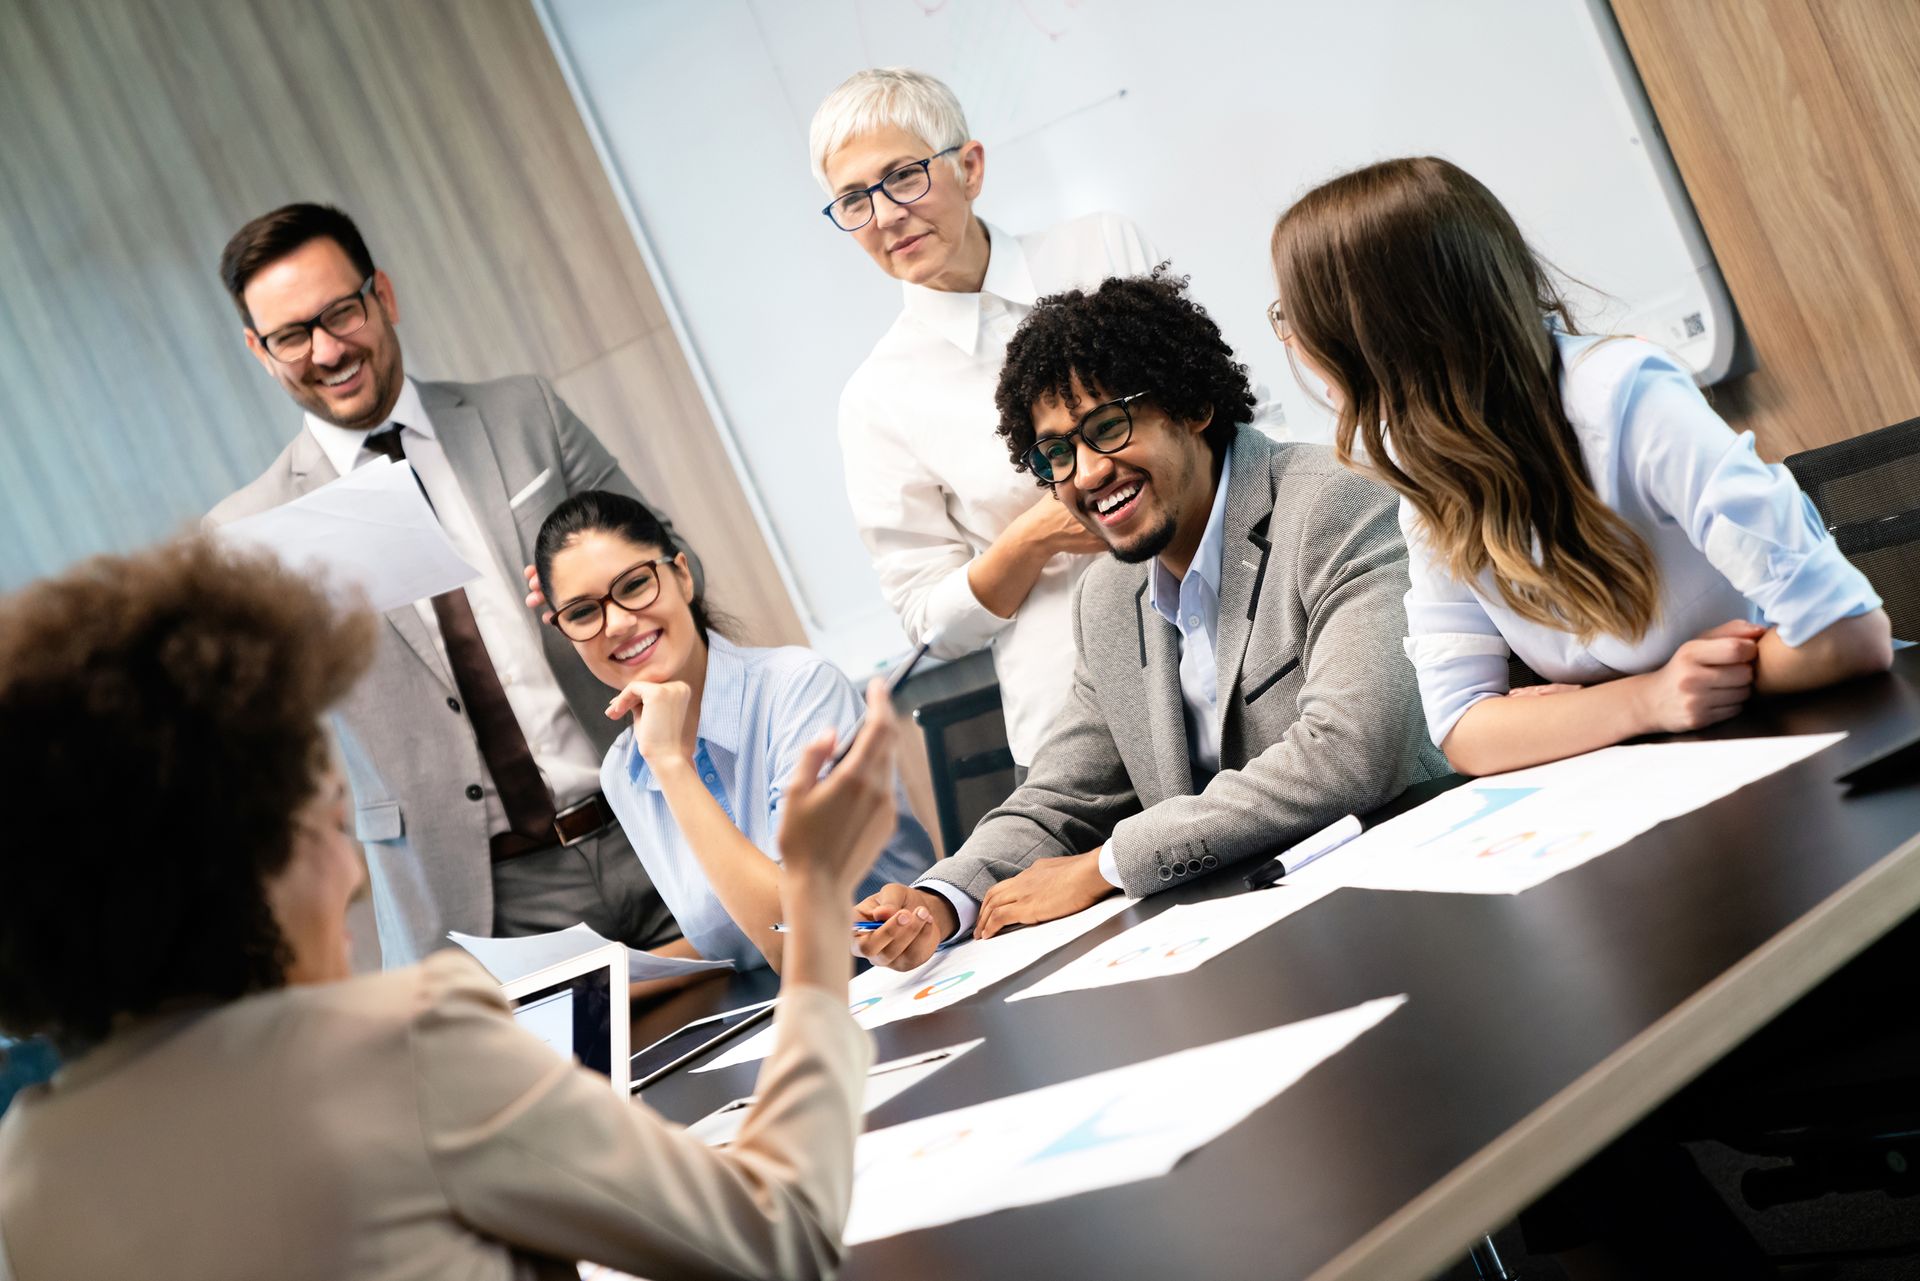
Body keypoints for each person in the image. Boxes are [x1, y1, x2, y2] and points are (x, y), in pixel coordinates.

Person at [0, 535, 899, 1280]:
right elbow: (782, 1238)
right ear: (245, 863)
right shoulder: (402, 1042)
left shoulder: (30, 1169)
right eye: (328, 816)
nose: (355, 874)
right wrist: (814, 919)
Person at [853, 270, 1449, 969]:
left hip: (1408, 903)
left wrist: (1106, 864)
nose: (1086, 473)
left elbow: (1351, 751)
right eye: (1057, 454)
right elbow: (1059, 797)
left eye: (1107, 427)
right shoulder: (1107, 597)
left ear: (1192, 404)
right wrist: (941, 898)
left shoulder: (1332, 505)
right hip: (1244, 944)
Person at [1266, 156, 1892, 777]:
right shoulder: (1430, 475)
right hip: (1689, 772)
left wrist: (1652, 698)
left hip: (1835, 743)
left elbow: (1849, 633)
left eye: (1292, 315)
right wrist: (1644, 699)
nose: (1293, 340)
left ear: (1370, 329)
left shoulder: (1627, 397)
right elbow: (1464, 728)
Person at [208, 202, 698, 965]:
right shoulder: (252, 533)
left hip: (656, 825)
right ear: (260, 350)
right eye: (293, 335)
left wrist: (599, 589)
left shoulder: (521, 412)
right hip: (481, 906)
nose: (329, 349)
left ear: (384, 297)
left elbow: (669, 563)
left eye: (342, 311)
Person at [816, 67, 1163, 769]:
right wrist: (1031, 539)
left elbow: (1225, 414)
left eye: (904, 176)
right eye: (853, 200)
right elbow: (927, 619)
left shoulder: (1100, 253)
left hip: (1229, 635)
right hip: (1078, 723)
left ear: (969, 167)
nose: (884, 216)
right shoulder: (878, 397)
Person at [533, 491, 936, 971]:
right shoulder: (622, 770)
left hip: (904, 987)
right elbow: (727, 946)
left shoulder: (799, 689)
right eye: (582, 613)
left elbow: (793, 942)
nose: (616, 623)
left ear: (682, 576)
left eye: (635, 585)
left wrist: (671, 764)